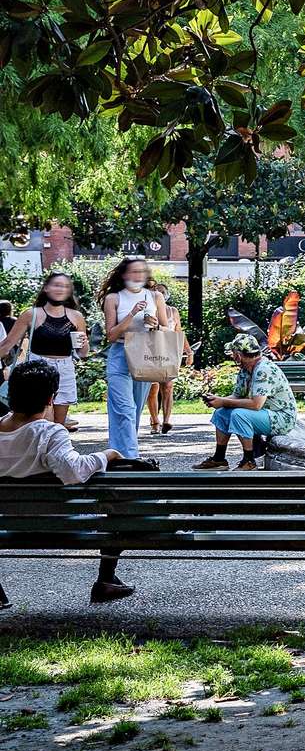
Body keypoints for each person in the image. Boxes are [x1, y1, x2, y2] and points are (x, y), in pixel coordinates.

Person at [0, 359, 133, 604]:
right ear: (51, 399)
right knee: (120, 510)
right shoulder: (49, 433)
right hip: (58, 523)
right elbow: (73, 471)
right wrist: (107, 454)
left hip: (6, 523)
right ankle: (106, 579)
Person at [0, 271, 90, 433]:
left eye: (64, 286)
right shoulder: (31, 314)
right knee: (42, 424)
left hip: (65, 369)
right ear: (46, 288)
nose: (60, 289)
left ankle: (54, 457)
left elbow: (83, 354)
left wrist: (84, 343)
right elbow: (6, 346)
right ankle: (38, 456)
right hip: (39, 371)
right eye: (56, 285)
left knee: (59, 426)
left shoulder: (76, 317)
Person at [197, 334, 298, 471]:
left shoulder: (264, 369)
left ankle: (249, 461)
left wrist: (223, 401)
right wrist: (218, 400)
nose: (232, 357)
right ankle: (219, 459)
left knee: (239, 415)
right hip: (264, 414)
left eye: (233, 354)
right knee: (221, 413)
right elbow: (237, 396)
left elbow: (256, 404)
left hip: (281, 418)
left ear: (238, 355)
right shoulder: (245, 370)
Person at [99, 256, 166, 463]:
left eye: (141, 272)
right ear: (124, 274)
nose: (138, 276)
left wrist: (154, 325)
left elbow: (167, 329)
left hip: (144, 354)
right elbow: (110, 335)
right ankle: (130, 456)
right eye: (134, 272)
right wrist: (132, 314)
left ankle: (120, 453)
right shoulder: (114, 298)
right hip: (119, 354)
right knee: (124, 408)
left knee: (135, 408)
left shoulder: (155, 297)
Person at [139, 262, 188, 437]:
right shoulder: (146, 310)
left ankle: (167, 420)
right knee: (152, 388)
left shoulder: (173, 311)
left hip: (168, 350)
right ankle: (154, 420)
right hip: (150, 351)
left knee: (167, 386)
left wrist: (188, 351)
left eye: (162, 292)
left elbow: (179, 333)